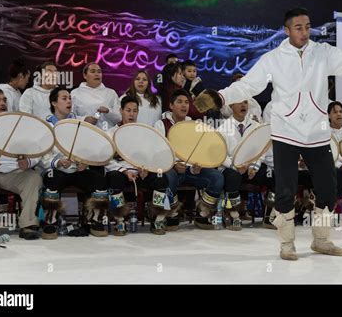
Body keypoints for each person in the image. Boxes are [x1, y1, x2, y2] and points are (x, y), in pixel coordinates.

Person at [194, 7, 342, 260]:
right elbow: (249, 84)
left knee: (328, 187)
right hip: (285, 132)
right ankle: (287, 243)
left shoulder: (322, 52)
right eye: (298, 27)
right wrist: (220, 97)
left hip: (317, 132)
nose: (305, 32)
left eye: (307, 26)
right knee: (285, 189)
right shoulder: (273, 58)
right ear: (286, 30)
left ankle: (322, 239)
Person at [39, 87, 110, 239]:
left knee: (99, 180)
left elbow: (88, 148)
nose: (69, 101)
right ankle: (50, 222)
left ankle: (94, 220)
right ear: (54, 103)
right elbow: (43, 156)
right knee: (53, 179)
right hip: (57, 169)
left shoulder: (79, 123)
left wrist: (85, 161)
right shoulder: (47, 126)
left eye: (70, 98)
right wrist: (58, 162)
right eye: (64, 98)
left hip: (78, 169)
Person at [154, 89, 224, 230]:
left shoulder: (194, 125)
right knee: (168, 177)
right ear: (171, 105)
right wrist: (174, 164)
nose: (184, 106)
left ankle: (202, 212)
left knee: (217, 178)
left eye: (186, 102)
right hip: (171, 169)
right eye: (179, 102)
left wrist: (196, 165)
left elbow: (199, 149)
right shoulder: (160, 125)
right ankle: (171, 213)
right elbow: (158, 152)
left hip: (191, 170)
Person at [0, 88, 42, 242]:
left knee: (33, 178)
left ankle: (28, 224)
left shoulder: (18, 123)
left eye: (4, 100)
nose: (3, 104)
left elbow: (37, 150)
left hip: (14, 173)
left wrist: (29, 162)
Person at [105, 96, 176, 235]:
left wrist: (148, 169)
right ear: (121, 111)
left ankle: (157, 218)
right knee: (114, 178)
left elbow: (152, 155)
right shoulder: (111, 133)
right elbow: (106, 160)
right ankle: (120, 219)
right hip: (122, 171)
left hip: (142, 171)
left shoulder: (145, 132)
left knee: (161, 178)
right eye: (128, 110)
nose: (131, 114)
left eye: (135, 111)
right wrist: (124, 171)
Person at [217, 100, 275, 230]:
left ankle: (270, 214)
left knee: (272, 174)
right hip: (231, 167)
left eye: (245, 103)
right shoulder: (223, 128)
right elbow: (220, 154)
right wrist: (234, 166)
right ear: (231, 106)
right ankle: (232, 212)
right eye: (239, 103)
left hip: (251, 167)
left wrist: (255, 165)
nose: (243, 106)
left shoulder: (255, 126)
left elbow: (261, 149)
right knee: (232, 176)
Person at [71, 62, 121, 130]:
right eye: (93, 71)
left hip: (106, 135)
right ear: (85, 75)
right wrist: (83, 119)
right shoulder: (75, 93)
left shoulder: (111, 93)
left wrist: (108, 111)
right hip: (83, 134)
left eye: (99, 72)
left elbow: (119, 118)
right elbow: (69, 117)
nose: (97, 74)